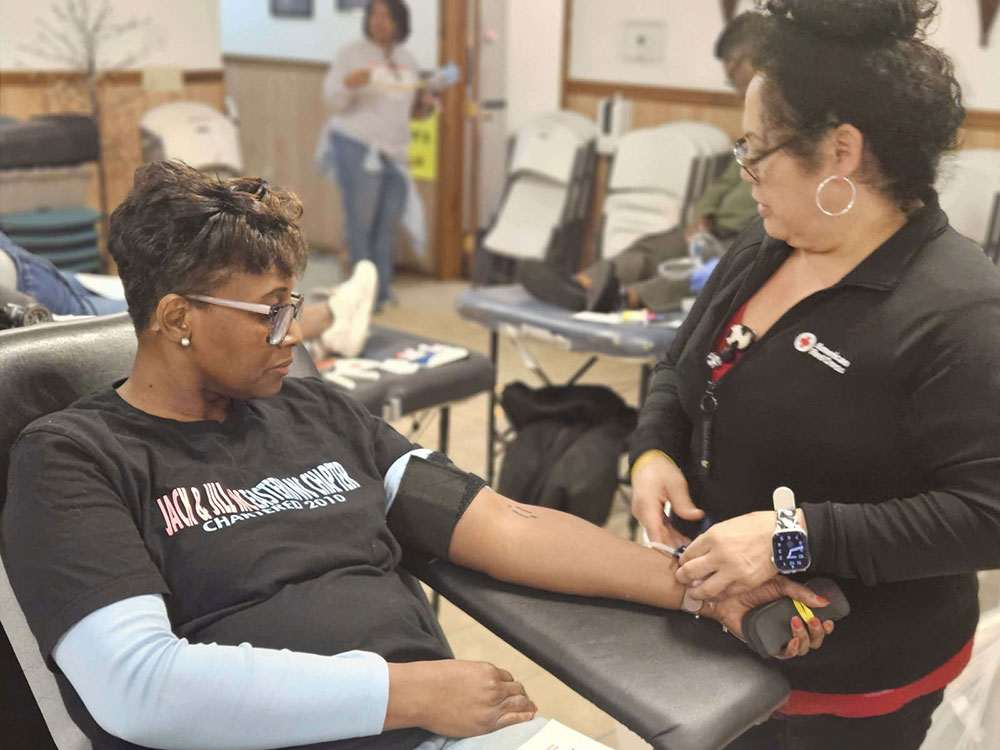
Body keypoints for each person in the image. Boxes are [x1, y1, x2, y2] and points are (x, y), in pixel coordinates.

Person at [1, 161, 834, 750]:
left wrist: (698, 589)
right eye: (270, 313)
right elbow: (137, 687)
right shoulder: (74, 461)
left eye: (298, 306)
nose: (297, 334)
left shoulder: (313, 408)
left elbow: (500, 523)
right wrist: (401, 692)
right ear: (178, 318)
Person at [629, 1, 1000, 748]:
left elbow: (987, 516)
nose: (746, 171)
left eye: (760, 149)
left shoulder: (957, 307)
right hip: (727, 637)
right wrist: (655, 449)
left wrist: (793, 539)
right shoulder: (769, 240)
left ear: (841, 152)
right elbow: (683, 360)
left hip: (860, 676)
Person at [519, 12, 764, 314]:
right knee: (653, 247)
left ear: (751, 58)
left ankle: (624, 299)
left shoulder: (789, 123)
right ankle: (583, 285)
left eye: (732, 73)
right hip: (717, 226)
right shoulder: (754, 121)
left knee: (708, 271)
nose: (732, 84)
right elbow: (727, 179)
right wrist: (703, 213)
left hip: (753, 234)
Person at [0, 226, 376, 357]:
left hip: (26, 272)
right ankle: (329, 318)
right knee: (182, 309)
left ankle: (325, 323)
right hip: (24, 293)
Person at [317, 0, 433, 311]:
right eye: (375, 14)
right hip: (357, 146)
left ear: (400, 21)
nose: (379, 21)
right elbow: (332, 100)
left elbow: (405, 111)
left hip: (395, 152)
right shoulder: (351, 54)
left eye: (387, 15)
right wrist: (349, 84)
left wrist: (423, 108)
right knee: (361, 224)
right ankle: (359, 296)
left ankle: (381, 290)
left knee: (387, 225)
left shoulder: (406, 59)